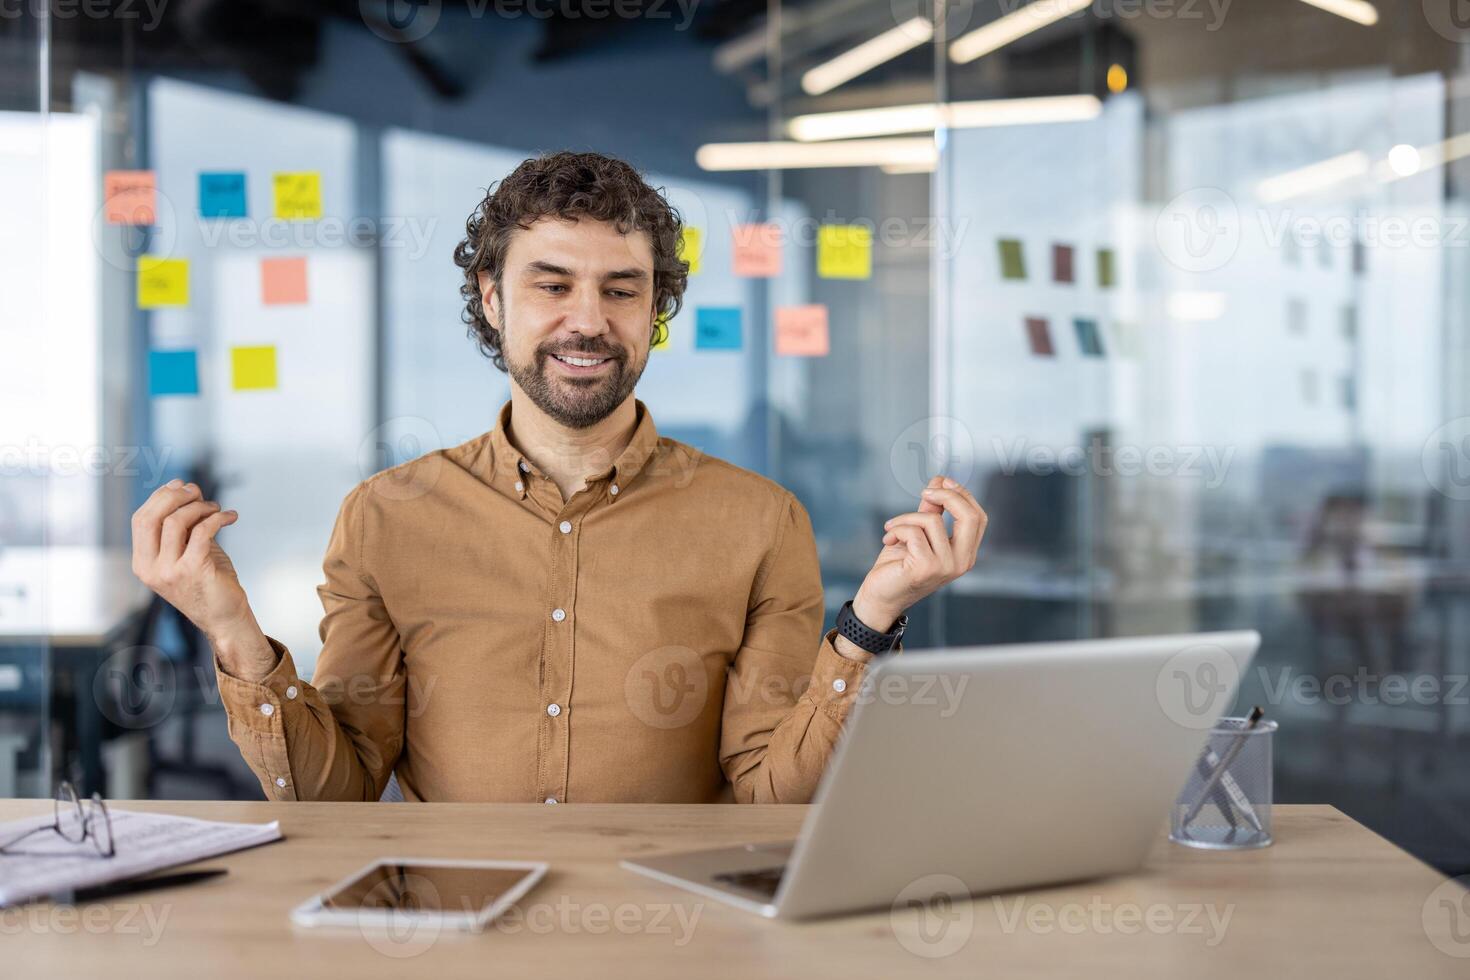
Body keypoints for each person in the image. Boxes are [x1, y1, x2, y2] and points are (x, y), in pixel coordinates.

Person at [130, 151, 986, 804]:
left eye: (622, 290)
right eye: (552, 285)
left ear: (656, 311)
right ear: (492, 299)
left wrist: (874, 618)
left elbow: (774, 797)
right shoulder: (387, 517)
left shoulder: (761, 522)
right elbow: (338, 790)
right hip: (449, 935)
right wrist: (229, 624)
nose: (589, 321)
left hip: (674, 935)